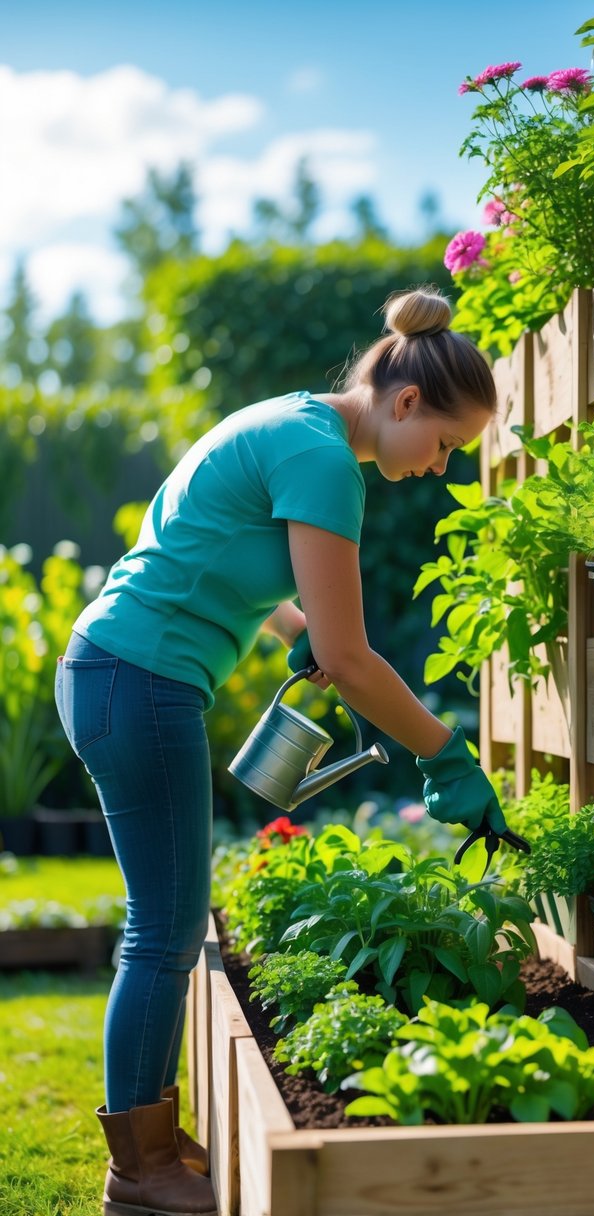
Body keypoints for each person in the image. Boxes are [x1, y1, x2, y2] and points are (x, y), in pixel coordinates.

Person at [54, 285, 510, 1216]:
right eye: (449, 447)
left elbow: (205, 546)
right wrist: (444, 755)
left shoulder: (287, 423)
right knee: (164, 927)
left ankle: (149, 1138)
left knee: (168, 921)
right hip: (137, 685)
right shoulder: (321, 458)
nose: (440, 469)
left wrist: (296, 624)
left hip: (113, 672)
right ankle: (136, 1172)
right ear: (407, 402)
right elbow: (351, 659)